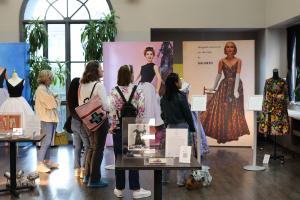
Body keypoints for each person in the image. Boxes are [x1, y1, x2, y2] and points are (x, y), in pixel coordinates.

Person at [110, 65, 151, 199]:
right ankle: (136, 189)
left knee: (119, 158)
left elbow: (112, 111)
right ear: (130, 75)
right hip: (134, 126)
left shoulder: (114, 91)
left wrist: (113, 126)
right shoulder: (138, 89)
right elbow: (142, 109)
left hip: (118, 127)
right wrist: (140, 127)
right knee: (134, 159)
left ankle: (119, 188)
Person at [200, 41, 250, 144]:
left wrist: (236, 90)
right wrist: (213, 87)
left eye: (231, 47)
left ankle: (233, 133)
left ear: (234, 49)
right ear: (225, 49)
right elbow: (219, 75)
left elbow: (237, 75)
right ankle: (223, 134)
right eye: (227, 47)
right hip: (224, 86)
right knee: (223, 108)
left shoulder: (238, 61)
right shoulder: (221, 61)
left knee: (235, 109)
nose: (229, 49)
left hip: (236, 85)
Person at [160, 73, 195, 186]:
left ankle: (164, 179)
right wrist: (193, 128)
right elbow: (188, 114)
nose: (181, 82)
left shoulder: (164, 98)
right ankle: (181, 180)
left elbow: (163, 115)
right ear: (175, 83)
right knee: (183, 155)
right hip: (183, 127)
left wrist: (167, 123)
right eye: (179, 80)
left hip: (170, 128)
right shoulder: (181, 96)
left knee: (169, 155)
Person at [78, 60, 109, 188]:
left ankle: (87, 176)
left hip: (86, 120)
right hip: (100, 120)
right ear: (96, 70)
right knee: (99, 148)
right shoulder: (98, 86)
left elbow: (81, 104)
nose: (102, 70)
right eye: (101, 68)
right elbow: (106, 106)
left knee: (91, 147)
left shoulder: (82, 85)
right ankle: (95, 179)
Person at [35, 70, 59, 173]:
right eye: (50, 78)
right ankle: (40, 163)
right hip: (45, 119)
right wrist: (54, 99)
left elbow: (56, 101)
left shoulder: (46, 89)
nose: (51, 80)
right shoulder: (41, 90)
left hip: (50, 118)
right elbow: (52, 103)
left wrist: (54, 99)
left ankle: (47, 161)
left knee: (49, 142)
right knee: (46, 142)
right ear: (45, 78)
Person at [67, 77, 90, 178]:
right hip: (80, 123)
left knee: (77, 147)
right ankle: (84, 168)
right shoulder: (79, 97)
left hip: (73, 123)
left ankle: (77, 168)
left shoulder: (70, 98)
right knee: (88, 145)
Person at [135, 47, 164, 126]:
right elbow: (135, 79)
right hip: (140, 87)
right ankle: (142, 127)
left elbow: (159, 78)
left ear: (153, 55)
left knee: (148, 107)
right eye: (147, 54)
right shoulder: (142, 67)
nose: (149, 56)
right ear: (145, 55)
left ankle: (149, 127)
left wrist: (157, 91)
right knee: (140, 107)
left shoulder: (154, 66)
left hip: (148, 87)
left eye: (151, 54)